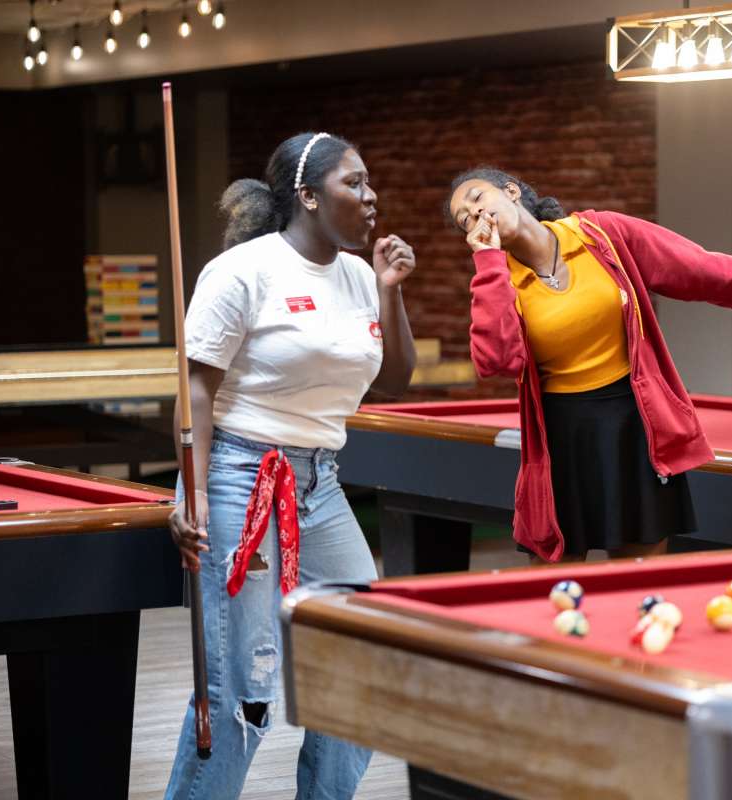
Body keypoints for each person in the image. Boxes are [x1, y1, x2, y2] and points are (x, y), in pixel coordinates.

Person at [165, 131, 417, 800]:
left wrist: (391, 292)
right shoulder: (244, 270)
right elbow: (195, 390)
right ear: (307, 196)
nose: (372, 196)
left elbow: (395, 381)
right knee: (240, 693)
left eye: (369, 184)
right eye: (354, 183)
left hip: (320, 483)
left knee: (360, 660)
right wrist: (189, 494)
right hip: (240, 476)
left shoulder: (363, 276)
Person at [447, 167, 732, 563]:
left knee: (639, 584)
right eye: (464, 219)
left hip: (634, 426)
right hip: (561, 439)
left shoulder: (602, 234)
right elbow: (496, 360)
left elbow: (707, 271)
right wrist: (488, 262)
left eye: (478, 199)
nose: (475, 215)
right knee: (556, 593)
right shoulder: (499, 280)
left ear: (512, 192)